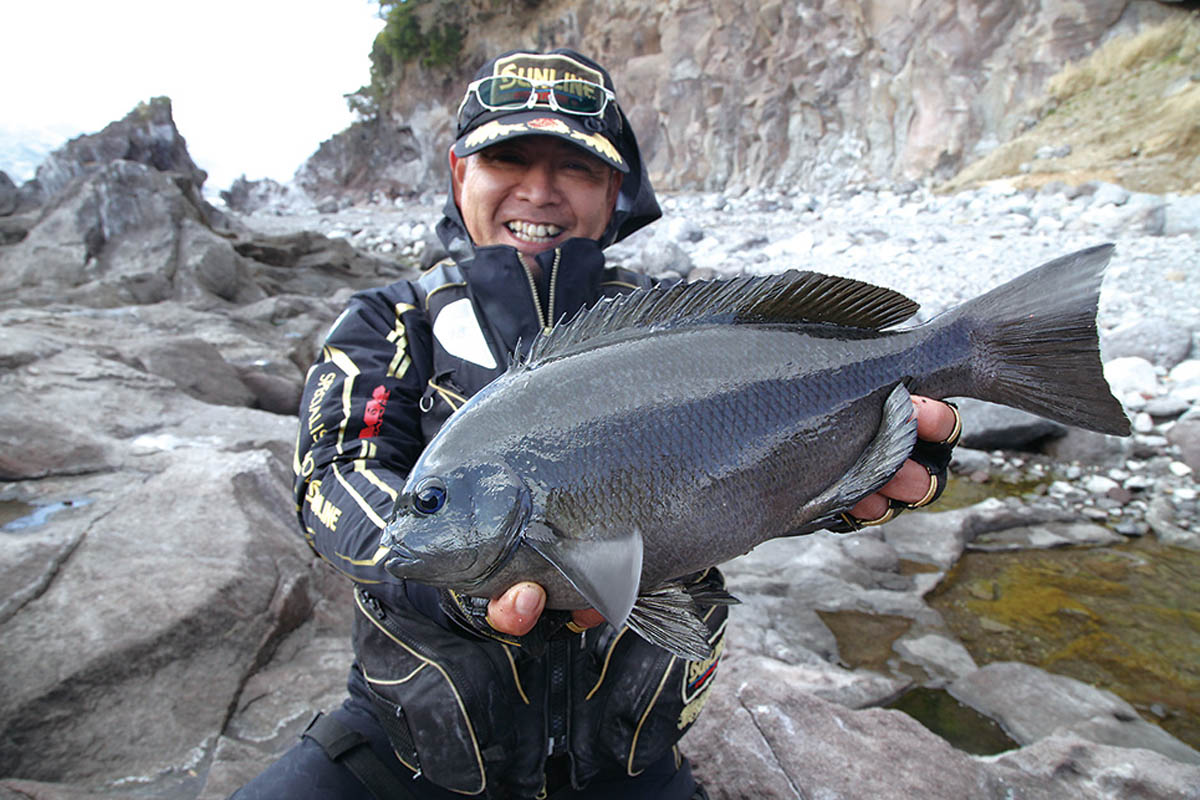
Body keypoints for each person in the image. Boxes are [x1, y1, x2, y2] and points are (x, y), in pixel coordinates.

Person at [234, 48, 961, 800]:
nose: (539, 191)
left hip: (630, 761)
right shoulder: (389, 321)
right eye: (507, 158)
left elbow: (754, 470)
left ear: (615, 190)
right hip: (406, 750)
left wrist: (852, 482)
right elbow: (336, 469)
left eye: (574, 168)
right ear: (459, 176)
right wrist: (452, 589)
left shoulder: (683, 324)